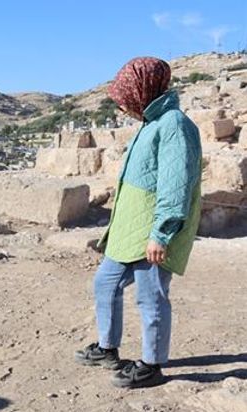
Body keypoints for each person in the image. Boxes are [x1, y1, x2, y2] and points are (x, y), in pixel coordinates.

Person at [75, 57, 202, 388]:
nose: (123, 107)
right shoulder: (152, 121)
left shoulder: (174, 124)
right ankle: (107, 348)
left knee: (151, 296)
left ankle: (151, 365)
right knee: (106, 283)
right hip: (129, 231)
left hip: (152, 232)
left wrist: (161, 234)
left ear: (143, 90)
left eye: (126, 98)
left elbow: (176, 185)